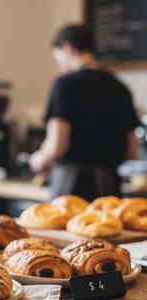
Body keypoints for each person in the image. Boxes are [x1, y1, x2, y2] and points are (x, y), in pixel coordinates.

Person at [29, 25, 139, 201]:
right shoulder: (121, 89)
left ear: (67, 48)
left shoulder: (65, 84)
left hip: (72, 188)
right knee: (106, 227)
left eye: (58, 58)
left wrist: (39, 159)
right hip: (110, 188)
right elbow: (132, 151)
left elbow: (57, 146)